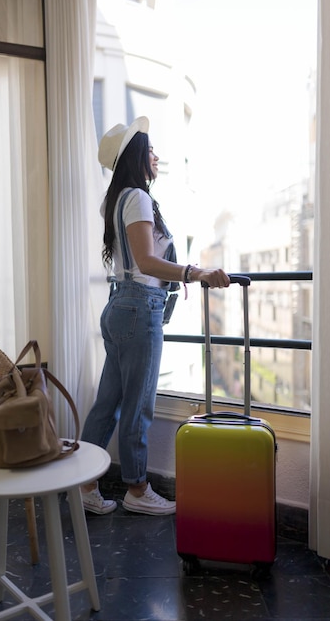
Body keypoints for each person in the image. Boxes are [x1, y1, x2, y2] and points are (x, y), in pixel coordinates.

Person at [81, 116, 230, 516]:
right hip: (136, 309)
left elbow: (137, 261)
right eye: (150, 149)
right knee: (138, 405)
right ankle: (137, 488)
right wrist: (194, 273)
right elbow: (147, 261)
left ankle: (85, 485)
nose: (157, 156)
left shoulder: (118, 200)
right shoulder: (138, 198)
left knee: (107, 404)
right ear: (135, 156)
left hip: (119, 307)